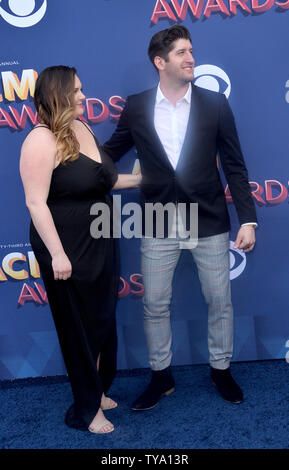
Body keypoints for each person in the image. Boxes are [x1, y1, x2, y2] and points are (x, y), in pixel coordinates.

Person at [103, 26, 257, 410]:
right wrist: (82, 168)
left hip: (207, 219)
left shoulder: (215, 104)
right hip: (157, 220)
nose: (191, 58)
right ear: (160, 61)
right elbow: (110, 151)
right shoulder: (137, 106)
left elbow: (235, 167)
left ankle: (221, 370)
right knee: (154, 303)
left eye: (192, 50)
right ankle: (161, 377)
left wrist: (249, 220)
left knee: (219, 300)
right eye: (182, 52)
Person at [20, 65, 141, 433]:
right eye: (75, 91)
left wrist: (142, 178)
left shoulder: (82, 128)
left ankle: (99, 387)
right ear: (57, 95)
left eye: (82, 90)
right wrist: (57, 254)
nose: (83, 96)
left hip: (101, 239)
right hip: (66, 247)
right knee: (79, 329)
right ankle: (88, 411)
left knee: (101, 321)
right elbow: (36, 203)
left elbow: (104, 180)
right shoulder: (40, 140)